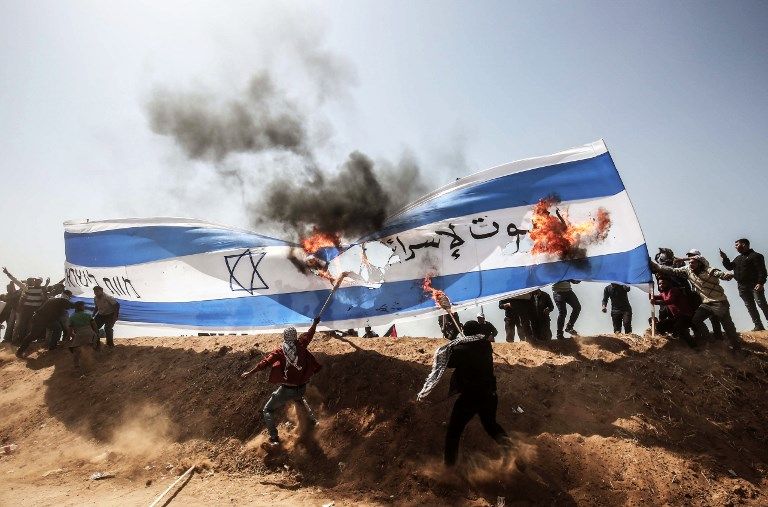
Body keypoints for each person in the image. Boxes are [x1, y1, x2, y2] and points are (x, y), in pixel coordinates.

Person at [416, 320, 510, 466]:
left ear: (465, 332)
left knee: (454, 431)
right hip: (490, 394)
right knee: (491, 425)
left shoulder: (462, 349)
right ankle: (511, 450)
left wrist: (452, 345)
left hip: (471, 397)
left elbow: (449, 362)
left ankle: (449, 467)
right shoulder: (485, 345)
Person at [241, 318, 323, 446]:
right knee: (299, 399)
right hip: (301, 387)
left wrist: (249, 373)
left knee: (267, 410)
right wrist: (315, 323)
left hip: (287, 390)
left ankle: (274, 439)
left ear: (285, 337)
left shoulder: (280, 351)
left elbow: (264, 363)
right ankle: (312, 421)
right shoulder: (301, 344)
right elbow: (310, 334)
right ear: (295, 337)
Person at [651, 256, 742, 353]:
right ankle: (710, 341)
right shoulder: (687, 270)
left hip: (719, 302)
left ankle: (737, 348)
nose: (690, 264)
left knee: (727, 326)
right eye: (689, 262)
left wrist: (725, 275)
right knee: (695, 320)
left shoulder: (709, 270)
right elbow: (672, 271)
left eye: (693, 263)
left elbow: (718, 273)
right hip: (706, 303)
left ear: (700, 264)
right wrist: (657, 266)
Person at [719, 238, 768, 331]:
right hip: (742, 286)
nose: (735, 247)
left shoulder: (756, 256)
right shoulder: (738, 258)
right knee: (750, 306)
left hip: (754, 285)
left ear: (744, 244)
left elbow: (762, 271)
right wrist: (725, 258)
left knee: (761, 303)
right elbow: (729, 267)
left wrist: (761, 283)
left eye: (737, 245)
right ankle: (758, 325)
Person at [16, 290, 74, 358]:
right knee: (33, 335)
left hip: (46, 319)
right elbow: (72, 306)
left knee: (57, 328)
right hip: (42, 319)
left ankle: (52, 346)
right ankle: (52, 347)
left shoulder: (56, 299)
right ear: (68, 296)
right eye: (70, 297)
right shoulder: (63, 300)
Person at [3, 269, 47, 344]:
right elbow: (17, 282)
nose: (36, 281)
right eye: (35, 280)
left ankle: (25, 341)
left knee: (30, 326)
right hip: (26, 309)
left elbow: (46, 298)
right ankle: (17, 341)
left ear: (40, 282)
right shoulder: (28, 288)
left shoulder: (42, 290)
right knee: (21, 325)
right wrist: (8, 273)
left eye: (38, 281)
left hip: (35, 310)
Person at [650, 277, 697, 347]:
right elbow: (652, 297)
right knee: (660, 326)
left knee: (678, 327)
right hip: (677, 318)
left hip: (687, 316)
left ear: (668, 283)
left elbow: (670, 300)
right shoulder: (663, 293)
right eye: (659, 284)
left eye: (663, 283)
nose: (661, 285)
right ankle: (668, 341)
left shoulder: (674, 290)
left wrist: (656, 302)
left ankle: (693, 346)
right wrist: (650, 289)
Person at [63, 301, 98, 370]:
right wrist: (96, 334)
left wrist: (67, 338)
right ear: (82, 307)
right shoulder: (88, 315)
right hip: (90, 334)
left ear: (75, 308)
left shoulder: (72, 317)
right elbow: (94, 325)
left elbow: (70, 330)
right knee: (88, 347)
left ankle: (77, 366)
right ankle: (89, 363)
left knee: (75, 350)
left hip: (80, 335)